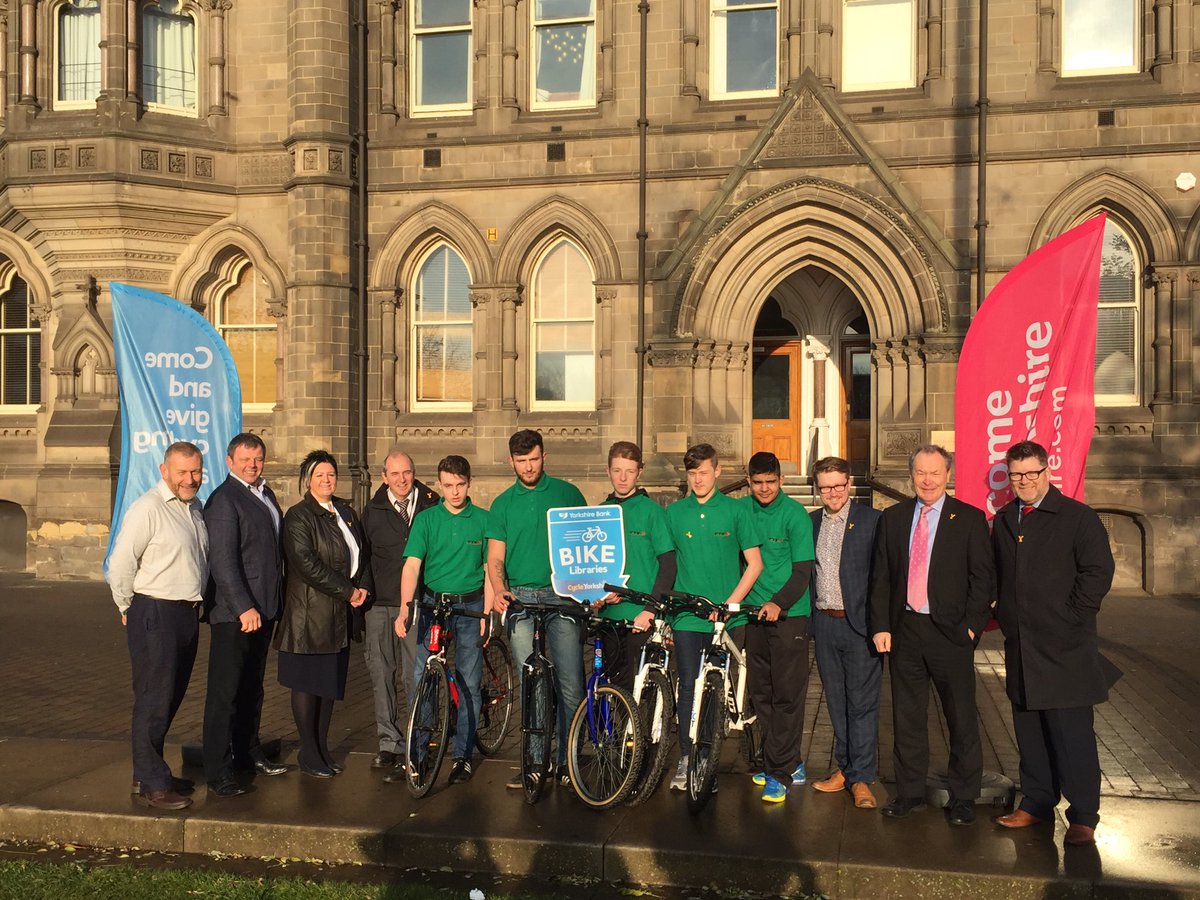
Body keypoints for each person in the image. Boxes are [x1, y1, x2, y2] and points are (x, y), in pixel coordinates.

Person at [991, 440, 1117, 846]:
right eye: (1016, 475)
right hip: (1022, 645)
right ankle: (1037, 802)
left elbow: (1098, 571)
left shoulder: (1078, 517)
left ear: (1047, 472)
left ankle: (1083, 815)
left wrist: (1072, 618)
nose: (1024, 481)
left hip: (1065, 648)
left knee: (1071, 735)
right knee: (1030, 733)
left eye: (1032, 473)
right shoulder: (1006, 518)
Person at [869, 444, 993, 826]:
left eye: (935, 473)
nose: (927, 480)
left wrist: (971, 627)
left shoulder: (969, 519)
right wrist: (881, 626)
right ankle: (909, 792)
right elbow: (882, 577)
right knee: (907, 717)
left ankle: (964, 796)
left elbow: (983, 579)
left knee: (960, 717)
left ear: (948, 474)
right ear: (911, 476)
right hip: (905, 630)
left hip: (950, 632)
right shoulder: (893, 518)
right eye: (920, 472)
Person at [106, 441, 209, 811]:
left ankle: (147, 771)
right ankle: (152, 783)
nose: (190, 479)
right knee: (154, 697)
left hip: (184, 613)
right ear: (164, 471)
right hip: (154, 611)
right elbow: (119, 563)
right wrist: (127, 606)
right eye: (182, 472)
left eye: (195, 471)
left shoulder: (194, 508)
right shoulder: (147, 508)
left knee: (171, 695)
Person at [486, 429, 587, 790]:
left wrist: (587, 589)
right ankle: (533, 761)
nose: (528, 467)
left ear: (544, 456)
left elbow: (587, 545)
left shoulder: (568, 494)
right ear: (511, 461)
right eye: (521, 461)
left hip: (563, 596)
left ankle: (568, 761)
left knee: (571, 683)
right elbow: (495, 558)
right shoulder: (502, 504)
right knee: (533, 682)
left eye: (534, 459)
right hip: (522, 599)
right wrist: (500, 591)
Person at [664, 443, 763, 791]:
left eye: (703, 472)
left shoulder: (736, 512)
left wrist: (729, 603)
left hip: (726, 620)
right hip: (689, 618)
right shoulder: (675, 513)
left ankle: (707, 761)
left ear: (718, 471)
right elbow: (667, 563)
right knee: (689, 685)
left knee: (715, 691)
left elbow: (754, 565)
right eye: (692, 474)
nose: (698, 480)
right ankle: (687, 758)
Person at [393, 455, 494, 785]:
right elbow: (411, 566)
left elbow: (491, 569)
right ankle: (418, 754)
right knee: (424, 679)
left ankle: (462, 755)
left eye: (460, 485)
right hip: (434, 605)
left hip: (470, 607)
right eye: (448, 486)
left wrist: (488, 612)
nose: (454, 492)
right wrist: (405, 608)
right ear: (439, 484)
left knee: (467, 681)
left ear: (469, 483)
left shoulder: (483, 520)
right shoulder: (426, 520)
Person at [201, 433, 289, 799]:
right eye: (245, 459)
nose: (252, 465)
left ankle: (247, 753)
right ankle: (218, 771)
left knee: (252, 688)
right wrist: (243, 607)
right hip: (235, 614)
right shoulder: (224, 500)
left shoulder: (264, 494)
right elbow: (222, 561)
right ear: (229, 461)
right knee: (225, 693)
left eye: (258, 459)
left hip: (263, 610)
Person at [273, 450, 368, 778]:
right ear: (307, 480)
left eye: (330, 474)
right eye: (319, 476)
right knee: (306, 684)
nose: (326, 480)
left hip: (338, 616)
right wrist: (349, 591)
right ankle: (308, 752)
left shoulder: (345, 511)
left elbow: (361, 552)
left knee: (328, 686)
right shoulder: (298, 516)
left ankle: (322, 747)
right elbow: (307, 564)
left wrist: (363, 587)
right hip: (309, 615)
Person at [809, 456, 883, 810]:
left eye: (839, 485)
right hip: (824, 623)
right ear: (818, 489)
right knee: (836, 702)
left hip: (859, 626)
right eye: (826, 487)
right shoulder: (811, 523)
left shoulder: (872, 521)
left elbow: (883, 578)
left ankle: (863, 778)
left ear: (849, 484)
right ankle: (845, 768)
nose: (833, 492)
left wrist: (880, 624)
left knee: (862, 704)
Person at [359, 449, 439, 773]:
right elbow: (362, 556)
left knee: (416, 675)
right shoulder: (373, 510)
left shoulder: (431, 505)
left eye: (406, 472)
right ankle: (388, 743)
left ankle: (420, 741)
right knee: (382, 674)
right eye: (394, 474)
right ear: (384, 477)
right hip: (381, 605)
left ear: (414, 472)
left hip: (421, 603)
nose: (402, 479)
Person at [742, 451, 814, 803]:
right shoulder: (743, 510)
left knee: (786, 696)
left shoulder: (795, 515)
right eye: (758, 483)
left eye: (771, 482)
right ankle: (786, 761)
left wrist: (778, 602)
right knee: (762, 695)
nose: (765, 488)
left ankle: (780, 774)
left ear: (781, 480)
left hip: (790, 616)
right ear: (749, 480)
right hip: (754, 615)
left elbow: (803, 571)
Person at [597, 441, 676, 692]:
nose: (622, 477)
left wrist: (651, 609)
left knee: (641, 691)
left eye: (629, 471)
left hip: (642, 617)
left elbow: (668, 565)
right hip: (610, 617)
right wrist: (597, 597)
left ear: (639, 473)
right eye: (617, 470)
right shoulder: (600, 512)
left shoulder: (652, 512)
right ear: (608, 470)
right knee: (614, 688)